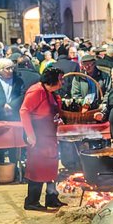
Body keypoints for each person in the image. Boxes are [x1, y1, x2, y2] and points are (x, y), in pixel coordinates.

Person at [20, 67, 67, 211]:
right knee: (38, 168)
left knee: (51, 167)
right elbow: (24, 111)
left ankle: (51, 198)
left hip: (49, 136)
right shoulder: (37, 91)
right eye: (61, 79)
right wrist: (30, 134)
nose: (63, 82)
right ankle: (31, 201)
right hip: (37, 136)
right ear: (53, 80)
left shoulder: (51, 93)